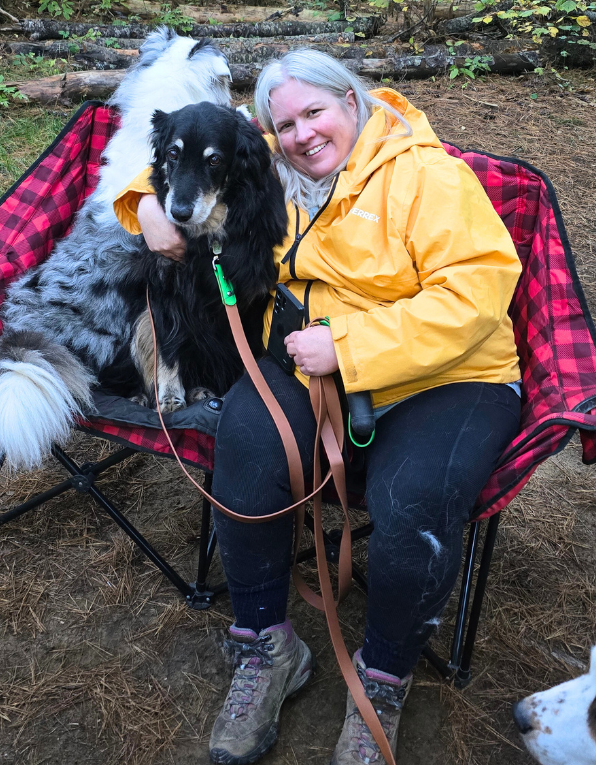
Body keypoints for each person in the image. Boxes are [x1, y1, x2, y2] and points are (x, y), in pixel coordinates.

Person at [113, 50, 523, 765]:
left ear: (353, 102)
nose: (301, 135)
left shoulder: (428, 174)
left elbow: (478, 296)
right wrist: (145, 205)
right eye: (285, 124)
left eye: (315, 113)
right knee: (243, 449)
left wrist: (351, 346)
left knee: (414, 503)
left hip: (454, 375)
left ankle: (382, 680)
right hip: (312, 361)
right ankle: (269, 649)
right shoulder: (274, 168)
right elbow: (183, 157)